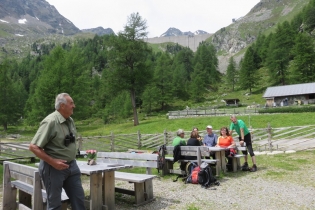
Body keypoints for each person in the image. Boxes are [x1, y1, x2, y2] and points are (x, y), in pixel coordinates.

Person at [29, 93, 86, 209]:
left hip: (72, 166)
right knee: (54, 204)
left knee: (79, 199)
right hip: (53, 169)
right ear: (62, 106)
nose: (74, 106)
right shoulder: (50, 122)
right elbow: (33, 147)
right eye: (71, 103)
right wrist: (53, 162)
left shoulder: (70, 120)